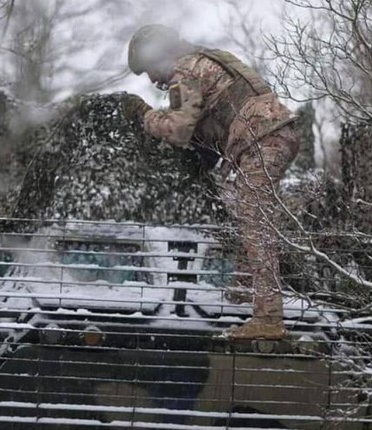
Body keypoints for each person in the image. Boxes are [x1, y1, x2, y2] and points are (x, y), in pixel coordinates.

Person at [122, 24, 300, 340]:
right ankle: (242, 293)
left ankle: (269, 318)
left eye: (149, 68)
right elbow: (210, 123)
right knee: (244, 216)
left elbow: (177, 130)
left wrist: (145, 114)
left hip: (262, 140)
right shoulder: (206, 60)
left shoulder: (185, 68)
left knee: (254, 222)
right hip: (266, 136)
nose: (152, 79)